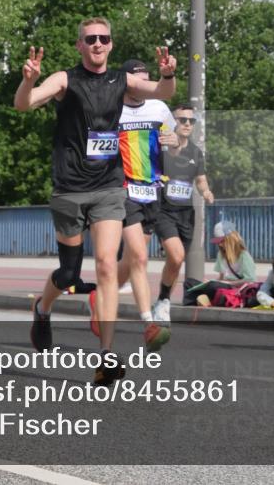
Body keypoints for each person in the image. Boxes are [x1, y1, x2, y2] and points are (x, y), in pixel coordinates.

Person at [13, 17, 176, 386]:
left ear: (111, 44)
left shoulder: (123, 80)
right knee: (69, 273)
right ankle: (43, 308)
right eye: (91, 39)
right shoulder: (65, 80)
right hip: (69, 188)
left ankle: (106, 356)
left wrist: (167, 76)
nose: (98, 44)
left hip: (108, 186)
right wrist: (28, 80)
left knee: (105, 265)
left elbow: (163, 93)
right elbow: (24, 104)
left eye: (104, 38)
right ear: (80, 45)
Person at [99, 58, 176, 351]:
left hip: (152, 189)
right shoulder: (111, 108)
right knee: (140, 258)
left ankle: (102, 296)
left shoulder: (158, 107)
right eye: (139, 81)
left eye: (148, 81)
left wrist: (173, 140)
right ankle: (149, 323)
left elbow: (177, 139)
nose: (145, 86)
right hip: (122, 189)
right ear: (128, 82)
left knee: (132, 260)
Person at [152, 103, 215, 323]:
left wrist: (206, 192)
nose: (187, 124)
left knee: (176, 261)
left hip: (186, 213)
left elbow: (200, 180)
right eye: (182, 120)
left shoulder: (196, 152)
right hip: (163, 210)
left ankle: (163, 299)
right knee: (176, 255)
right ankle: (163, 300)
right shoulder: (162, 146)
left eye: (191, 121)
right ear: (173, 122)